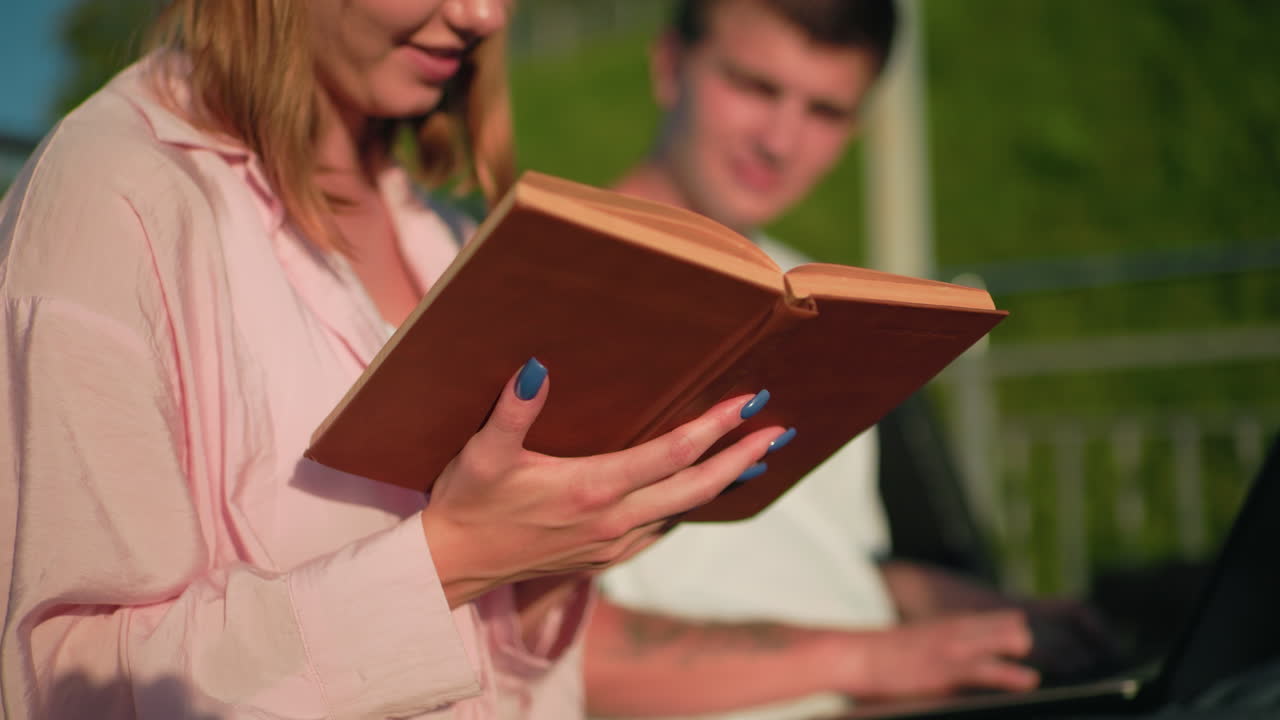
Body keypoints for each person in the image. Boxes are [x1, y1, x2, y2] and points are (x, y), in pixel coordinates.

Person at [0, 1, 794, 718]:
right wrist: (454, 556)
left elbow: (488, 675)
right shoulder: (114, 194)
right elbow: (63, 689)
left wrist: (564, 544)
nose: (484, 16)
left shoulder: (446, 231)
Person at [583, 1, 1111, 718]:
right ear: (669, 65)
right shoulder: (555, 282)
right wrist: (872, 659)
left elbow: (819, 558)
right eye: (754, 87)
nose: (780, 141)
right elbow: (532, 649)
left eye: (826, 111)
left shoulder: (818, 297)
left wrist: (985, 616)